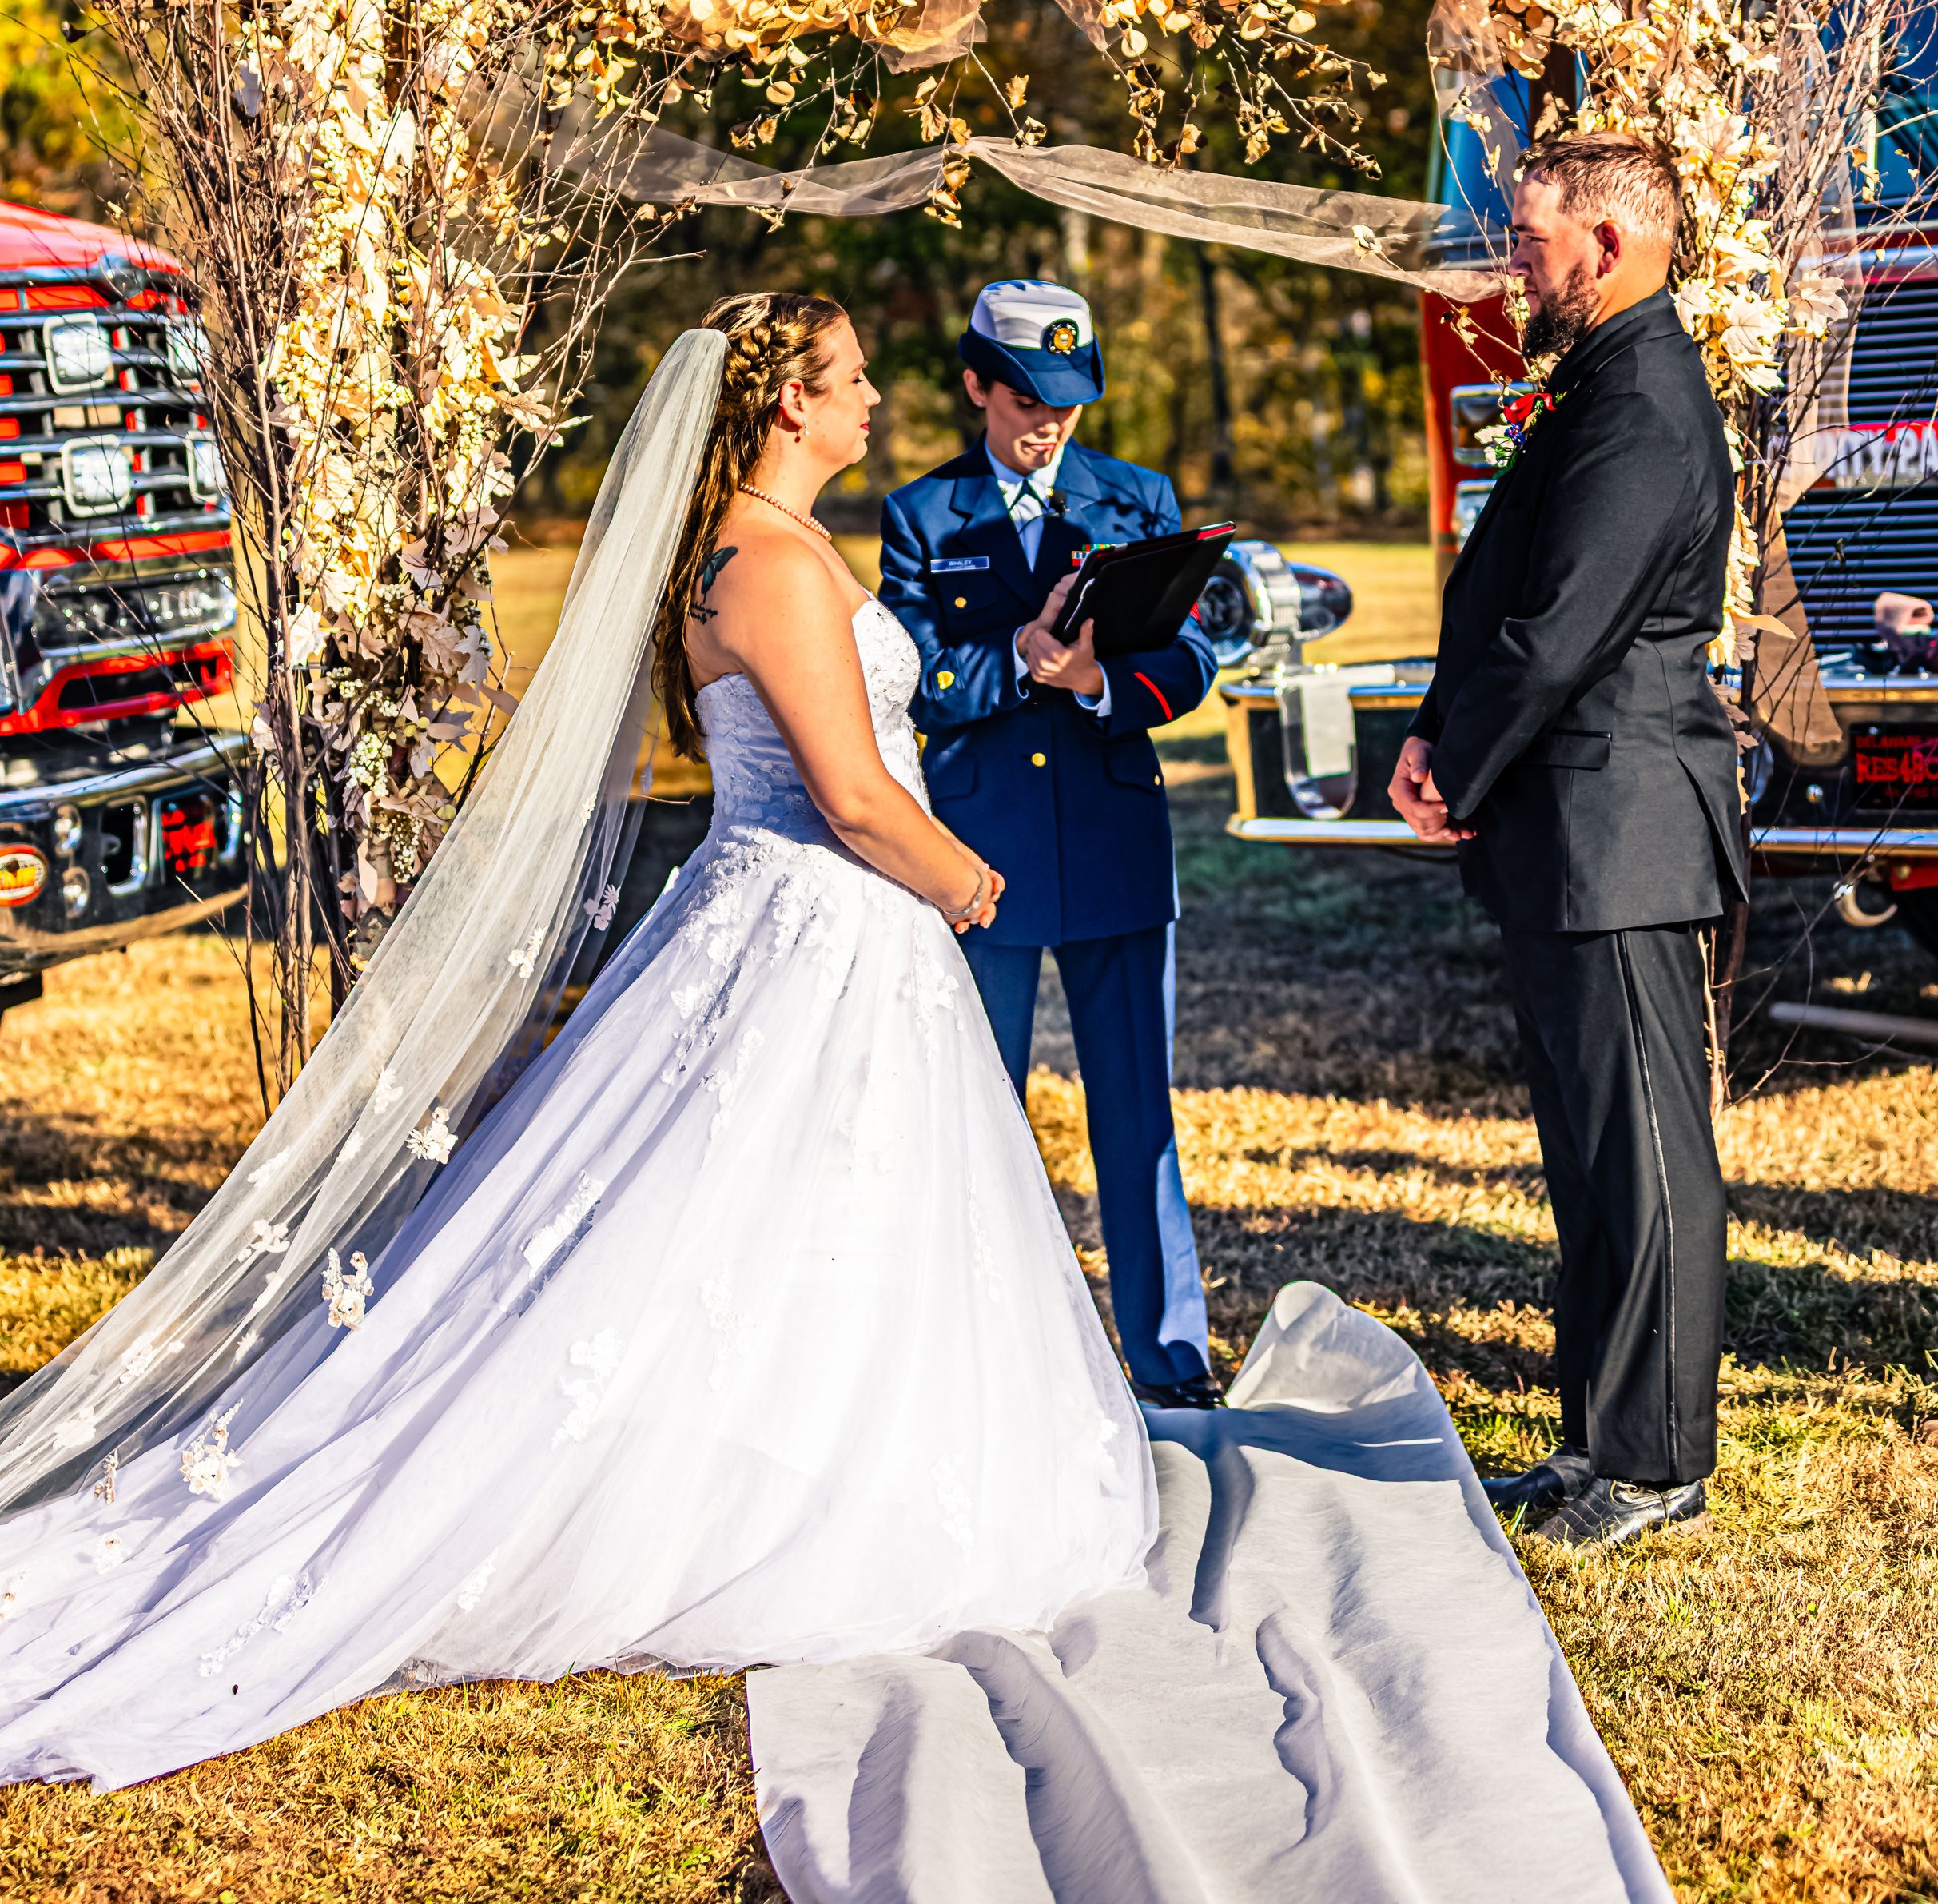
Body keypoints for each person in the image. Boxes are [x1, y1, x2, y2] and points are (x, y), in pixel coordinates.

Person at [0, 295, 1154, 1792]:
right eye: (853, 379)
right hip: (821, 918)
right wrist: (968, 881)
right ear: (787, 405)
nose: (876, 399)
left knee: (792, 1227)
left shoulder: (761, 551)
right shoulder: (774, 566)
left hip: (798, 921)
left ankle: (801, 1442)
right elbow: (855, 797)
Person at [1390, 137, 1737, 1551]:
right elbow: (1499, 597)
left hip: (1623, 825)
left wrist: (1453, 763)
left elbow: (1561, 632)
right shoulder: (1599, 382)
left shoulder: (1646, 403)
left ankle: (1658, 1462)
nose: (1512, 263)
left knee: (1648, 1155)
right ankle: (1598, 1434)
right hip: (1569, 830)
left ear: (1605, 243)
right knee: (1591, 1156)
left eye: (1530, 240)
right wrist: (1428, 732)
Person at [877, 279, 1222, 1412]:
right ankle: (985, 1361)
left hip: (1117, 841)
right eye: (1028, 397)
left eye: (1070, 401)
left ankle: (1172, 1359)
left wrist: (1104, 680)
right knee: (980, 1110)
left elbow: (1194, 658)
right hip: (985, 854)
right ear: (975, 382)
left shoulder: (1137, 498)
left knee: (1139, 1113)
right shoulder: (922, 515)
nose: (1050, 424)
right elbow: (913, 680)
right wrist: (1020, 659)